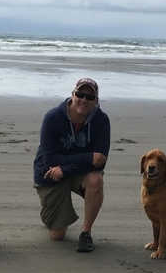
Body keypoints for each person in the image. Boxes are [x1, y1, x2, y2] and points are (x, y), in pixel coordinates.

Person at [33, 78, 110, 252]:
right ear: (72, 95)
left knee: (95, 180)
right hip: (50, 173)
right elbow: (49, 159)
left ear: (96, 101)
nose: (83, 100)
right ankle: (50, 216)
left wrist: (66, 168)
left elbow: (99, 161)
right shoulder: (53, 117)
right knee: (57, 236)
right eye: (80, 94)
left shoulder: (101, 120)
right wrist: (87, 158)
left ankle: (86, 233)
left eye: (89, 97)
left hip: (72, 172)